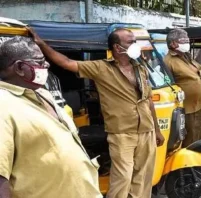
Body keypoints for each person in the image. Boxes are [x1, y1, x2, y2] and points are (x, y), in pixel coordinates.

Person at [28, 27, 165, 198]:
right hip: (121, 132)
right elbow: (66, 62)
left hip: (147, 130)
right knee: (122, 177)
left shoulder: (140, 68)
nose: (134, 45)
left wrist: (157, 130)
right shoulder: (101, 68)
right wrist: (41, 44)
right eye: (130, 42)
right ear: (117, 47)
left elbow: (148, 100)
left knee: (143, 177)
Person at [0, 36, 102, 198]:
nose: (46, 65)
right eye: (39, 61)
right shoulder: (4, 104)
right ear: (19, 68)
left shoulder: (43, 93)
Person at [164, 28, 201, 147]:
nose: (187, 43)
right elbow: (168, 86)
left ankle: (200, 165)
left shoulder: (188, 57)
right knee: (191, 140)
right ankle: (190, 166)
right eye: (183, 41)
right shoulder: (168, 61)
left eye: (187, 41)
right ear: (173, 43)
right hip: (188, 109)